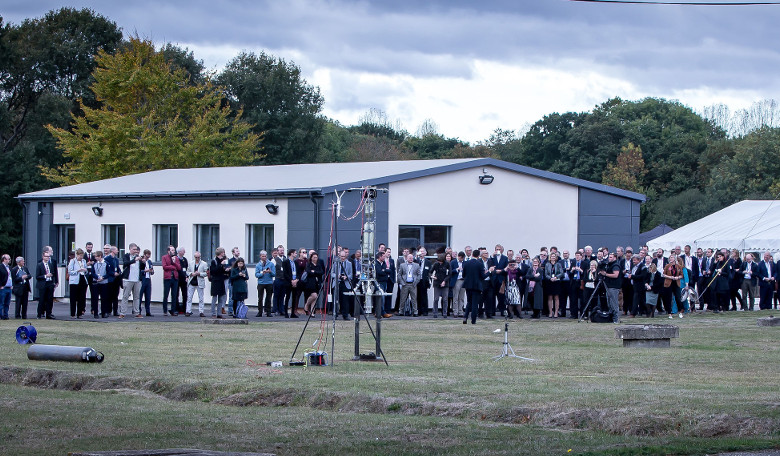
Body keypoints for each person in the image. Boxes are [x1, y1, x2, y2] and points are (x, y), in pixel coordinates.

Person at [120, 243, 144, 318]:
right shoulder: (126, 256)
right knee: (125, 296)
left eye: (136, 249)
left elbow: (142, 267)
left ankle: (136, 312)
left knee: (137, 297)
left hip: (137, 280)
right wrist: (134, 260)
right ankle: (122, 313)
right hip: (128, 279)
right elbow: (125, 263)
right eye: (134, 249)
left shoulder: (138, 257)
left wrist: (143, 261)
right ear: (130, 249)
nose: (135, 251)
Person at [462, 249, 486, 324]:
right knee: (475, 303)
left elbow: (463, 275)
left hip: (468, 285)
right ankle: (473, 320)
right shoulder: (479, 264)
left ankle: (465, 317)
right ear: (479, 256)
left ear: (472, 254)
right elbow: (483, 276)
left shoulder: (466, 263)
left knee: (469, 302)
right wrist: (490, 272)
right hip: (476, 286)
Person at [36, 248, 58, 319]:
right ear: (43, 257)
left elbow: (54, 273)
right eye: (46, 256)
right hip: (43, 284)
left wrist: (54, 281)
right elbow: (37, 276)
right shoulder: (39, 265)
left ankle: (49, 314)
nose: (48, 258)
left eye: (49, 257)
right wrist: (45, 276)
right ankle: (39, 314)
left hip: (50, 283)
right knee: (42, 300)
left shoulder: (51, 264)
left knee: (50, 299)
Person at [599, 252, 621, 323]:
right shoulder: (609, 264)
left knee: (613, 303)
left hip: (614, 286)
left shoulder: (616, 265)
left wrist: (605, 274)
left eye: (611, 257)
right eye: (609, 257)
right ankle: (611, 317)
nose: (609, 259)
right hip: (608, 286)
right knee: (609, 303)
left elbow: (615, 275)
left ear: (615, 258)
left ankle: (616, 318)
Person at [332, 249, 354, 320]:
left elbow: (351, 275)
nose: (343, 258)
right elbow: (332, 273)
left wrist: (346, 277)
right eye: (341, 256)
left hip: (345, 283)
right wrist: (337, 276)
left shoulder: (349, 263)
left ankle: (345, 315)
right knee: (336, 299)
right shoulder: (335, 263)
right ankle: (335, 314)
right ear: (339, 256)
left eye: (344, 256)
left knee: (345, 300)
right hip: (337, 282)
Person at [67, 248, 89, 318]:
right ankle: (73, 313)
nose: (81, 257)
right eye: (80, 256)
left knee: (81, 297)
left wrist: (85, 270)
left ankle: (79, 313)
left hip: (82, 279)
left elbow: (86, 271)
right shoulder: (72, 261)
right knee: (73, 298)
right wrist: (78, 271)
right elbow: (70, 271)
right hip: (75, 280)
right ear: (77, 255)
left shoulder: (84, 261)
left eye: (82, 256)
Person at [185, 251, 208, 317]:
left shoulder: (204, 264)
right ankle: (188, 311)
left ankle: (201, 311)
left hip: (199, 283)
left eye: (198, 257)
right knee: (189, 297)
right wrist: (191, 274)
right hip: (192, 282)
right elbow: (187, 271)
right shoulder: (191, 263)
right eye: (196, 257)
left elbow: (206, 273)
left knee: (201, 298)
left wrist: (199, 274)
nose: (197, 258)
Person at [209, 247, 230, 318]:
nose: (224, 254)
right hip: (215, 281)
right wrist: (221, 265)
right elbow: (213, 271)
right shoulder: (214, 261)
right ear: (221, 253)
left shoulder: (223, 260)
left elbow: (222, 270)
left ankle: (219, 313)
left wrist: (226, 270)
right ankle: (213, 313)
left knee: (221, 298)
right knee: (214, 298)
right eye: (223, 253)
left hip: (221, 281)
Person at [254, 250, 276, 317]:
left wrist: (270, 272)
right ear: (260, 256)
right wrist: (262, 273)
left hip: (269, 282)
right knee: (260, 298)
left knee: (268, 298)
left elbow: (274, 274)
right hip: (261, 283)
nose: (264, 258)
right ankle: (260, 311)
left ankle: (268, 311)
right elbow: (256, 275)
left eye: (265, 256)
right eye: (263, 256)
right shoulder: (258, 265)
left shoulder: (271, 264)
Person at [430, 252, 451, 318]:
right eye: (439, 261)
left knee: (445, 299)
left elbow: (450, 274)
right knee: (436, 299)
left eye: (441, 262)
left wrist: (444, 281)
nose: (440, 263)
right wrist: (432, 276)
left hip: (445, 283)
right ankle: (435, 313)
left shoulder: (447, 264)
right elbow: (430, 272)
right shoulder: (436, 264)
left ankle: (444, 313)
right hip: (437, 283)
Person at [161, 245, 181, 316]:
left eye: (174, 250)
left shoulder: (176, 258)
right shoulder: (164, 257)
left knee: (174, 295)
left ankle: (173, 310)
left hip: (175, 278)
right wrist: (173, 267)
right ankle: (165, 310)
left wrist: (174, 262)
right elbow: (164, 267)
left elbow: (179, 268)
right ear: (168, 251)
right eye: (172, 250)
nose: (173, 251)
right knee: (166, 294)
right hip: (167, 278)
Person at [489, 244, 508, 317]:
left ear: (502, 250)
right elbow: (490, 265)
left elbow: (506, 268)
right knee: (492, 296)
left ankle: (502, 310)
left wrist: (501, 271)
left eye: (499, 249)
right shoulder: (492, 258)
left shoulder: (505, 258)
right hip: (493, 279)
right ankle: (492, 311)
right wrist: (492, 256)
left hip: (501, 278)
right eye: (497, 249)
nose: (498, 251)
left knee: (501, 296)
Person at [544, 252, 564, 319]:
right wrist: (550, 278)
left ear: (556, 258)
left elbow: (561, 273)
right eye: (551, 256)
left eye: (554, 256)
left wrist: (556, 277)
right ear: (550, 257)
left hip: (556, 282)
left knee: (556, 297)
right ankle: (550, 312)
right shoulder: (547, 264)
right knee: (550, 297)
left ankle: (556, 312)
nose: (553, 257)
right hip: (549, 282)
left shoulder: (558, 264)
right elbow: (546, 274)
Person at [90, 251, 108, 319]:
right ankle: (96, 313)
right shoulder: (94, 264)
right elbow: (92, 272)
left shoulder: (106, 263)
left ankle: (104, 313)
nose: (95, 258)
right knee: (95, 298)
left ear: (100, 256)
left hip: (104, 283)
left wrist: (103, 278)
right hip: (96, 283)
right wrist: (97, 277)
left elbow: (109, 273)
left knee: (104, 298)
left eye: (96, 256)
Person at [105, 245, 122, 316]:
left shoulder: (116, 259)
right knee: (109, 295)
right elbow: (107, 269)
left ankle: (115, 311)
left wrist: (119, 272)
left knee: (115, 296)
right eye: (116, 250)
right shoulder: (107, 259)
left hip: (116, 280)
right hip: (110, 279)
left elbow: (117, 267)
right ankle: (108, 310)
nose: (117, 251)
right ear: (112, 251)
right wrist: (112, 273)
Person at [416, 247, 432, 316]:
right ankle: (419, 310)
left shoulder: (428, 262)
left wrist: (430, 281)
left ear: (425, 253)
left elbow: (430, 272)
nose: (421, 253)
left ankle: (425, 311)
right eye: (420, 251)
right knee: (417, 296)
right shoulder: (416, 261)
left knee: (424, 296)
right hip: (417, 280)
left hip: (424, 280)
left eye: (423, 252)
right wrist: (416, 257)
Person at [450, 251, 467, 318]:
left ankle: (461, 311)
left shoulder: (465, 263)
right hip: (456, 280)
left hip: (463, 280)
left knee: (461, 297)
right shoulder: (453, 262)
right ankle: (455, 311)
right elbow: (450, 271)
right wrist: (457, 270)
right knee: (455, 297)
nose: (462, 260)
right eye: (461, 258)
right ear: (459, 257)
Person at [140, 249, 154, 317]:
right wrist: (145, 271)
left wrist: (151, 271)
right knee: (140, 295)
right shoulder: (141, 261)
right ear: (144, 254)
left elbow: (152, 271)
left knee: (148, 296)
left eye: (149, 255)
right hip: (143, 279)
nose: (148, 257)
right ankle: (138, 311)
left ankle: (148, 311)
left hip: (148, 279)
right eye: (147, 255)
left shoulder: (149, 262)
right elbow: (139, 271)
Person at [175, 247, 188, 314]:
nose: (184, 252)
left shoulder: (185, 259)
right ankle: (176, 308)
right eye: (183, 251)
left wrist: (187, 276)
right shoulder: (176, 259)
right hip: (177, 279)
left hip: (184, 279)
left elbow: (187, 268)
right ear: (179, 252)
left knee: (185, 294)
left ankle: (185, 308)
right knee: (176, 294)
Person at [0, 254, 12, 320]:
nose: (9, 260)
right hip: (3, 288)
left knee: (7, 303)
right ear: (4, 259)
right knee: (1, 302)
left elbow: (10, 277)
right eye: (8, 259)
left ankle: (5, 315)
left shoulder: (9, 267)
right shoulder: (1, 267)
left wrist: (11, 285)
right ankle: (1, 315)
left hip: (9, 287)